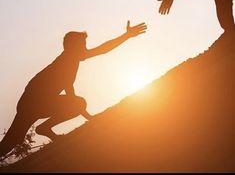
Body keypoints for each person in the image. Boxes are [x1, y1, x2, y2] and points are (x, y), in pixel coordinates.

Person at [0, 20, 147, 158]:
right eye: (83, 43)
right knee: (14, 138)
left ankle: (44, 129)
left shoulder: (71, 58)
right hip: (32, 102)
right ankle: (44, 129)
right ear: (72, 46)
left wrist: (126, 36)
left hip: (34, 101)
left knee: (14, 139)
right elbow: (70, 91)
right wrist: (88, 116)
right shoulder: (67, 60)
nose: (85, 47)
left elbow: (102, 50)